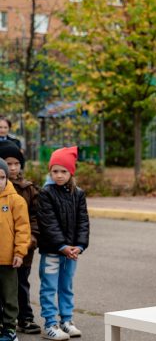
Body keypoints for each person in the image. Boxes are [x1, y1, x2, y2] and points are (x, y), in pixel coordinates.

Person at [37, 146, 90, 340]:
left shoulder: (78, 194)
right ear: (50, 172)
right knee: (49, 287)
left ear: (71, 172)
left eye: (63, 171)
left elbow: (83, 221)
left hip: (72, 253)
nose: (59, 175)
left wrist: (80, 246)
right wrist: (62, 246)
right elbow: (48, 223)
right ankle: (50, 324)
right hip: (53, 252)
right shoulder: (46, 193)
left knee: (66, 286)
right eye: (55, 171)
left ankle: (66, 321)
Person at [0, 142, 41, 334]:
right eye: (10, 163)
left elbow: (29, 222)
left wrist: (27, 245)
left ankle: (20, 321)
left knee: (18, 288)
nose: (14, 167)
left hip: (19, 252)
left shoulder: (23, 192)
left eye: (17, 163)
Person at [0, 158, 31, 341]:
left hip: (8, 260)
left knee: (10, 298)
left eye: (2, 177)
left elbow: (23, 229)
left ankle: (10, 329)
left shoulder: (16, 201)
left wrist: (19, 253)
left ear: (7, 179)